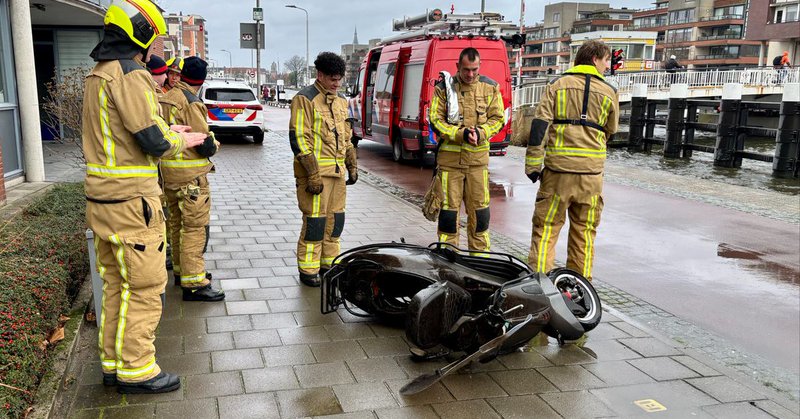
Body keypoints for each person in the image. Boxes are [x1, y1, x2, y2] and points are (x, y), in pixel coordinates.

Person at [83, 0, 206, 394]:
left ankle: (114, 365)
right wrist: (182, 138)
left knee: (117, 285)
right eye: (153, 39)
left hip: (103, 202)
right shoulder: (130, 75)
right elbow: (152, 138)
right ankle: (138, 371)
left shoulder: (96, 74)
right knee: (145, 287)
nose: (153, 48)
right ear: (140, 33)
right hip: (133, 203)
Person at [524, 40, 619, 281]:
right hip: (591, 178)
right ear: (595, 59)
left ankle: (539, 285)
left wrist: (533, 166)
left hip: (558, 174)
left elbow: (539, 128)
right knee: (584, 234)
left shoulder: (557, 85)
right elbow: (611, 129)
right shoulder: (610, 91)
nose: (607, 66)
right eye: (606, 60)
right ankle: (579, 289)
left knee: (546, 230)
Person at [159, 56, 225, 302]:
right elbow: (202, 144)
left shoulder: (165, 97)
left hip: (168, 176)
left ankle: (181, 271)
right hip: (191, 179)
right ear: (202, 80)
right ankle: (195, 282)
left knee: (176, 226)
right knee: (194, 229)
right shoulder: (191, 103)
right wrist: (214, 143)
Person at [289, 52, 357, 287]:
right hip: (316, 176)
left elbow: (346, 136)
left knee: (335, 222)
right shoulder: (305, 99)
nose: (336, 83)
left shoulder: (341, 101)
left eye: (339, 79)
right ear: (319, 75)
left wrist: (352, 163)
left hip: (337, 174)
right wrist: (312, 173)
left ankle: (328, 263)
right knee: (315, 223)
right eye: (332, 79)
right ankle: (308, 269)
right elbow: (298, 138)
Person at [428, 47, 504, 254]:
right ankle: (446, 261)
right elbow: (435, 120)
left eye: (474, 69)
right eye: (466, 70)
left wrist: (481, 132)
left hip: (477, 165)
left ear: (479, 67)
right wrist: (459, 134)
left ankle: (480, 263)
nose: (470, 74)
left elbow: (499, 119)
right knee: (448, 217)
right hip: (450, 165)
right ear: (457, 67)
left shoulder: (490, 88)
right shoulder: (444, 88)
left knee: (480, 217)